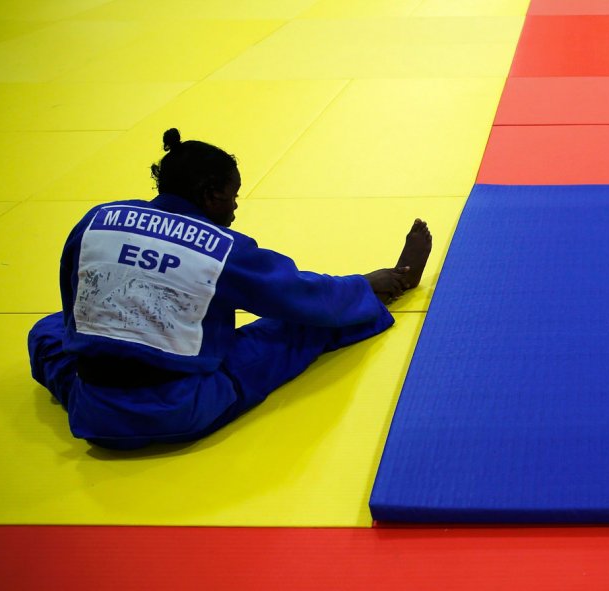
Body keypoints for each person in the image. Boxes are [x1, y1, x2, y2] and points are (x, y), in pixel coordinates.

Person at [28, 128, 432, 450]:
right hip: (182, 406)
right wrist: (368, 282)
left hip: (93, 408)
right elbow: (301, 295)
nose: (235, 209)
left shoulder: (96, 220)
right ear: (210, 194)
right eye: (233, 197)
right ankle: (389, 287)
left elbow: (74, 305)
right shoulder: (221, 249)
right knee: (296, 326)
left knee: (48, 330)